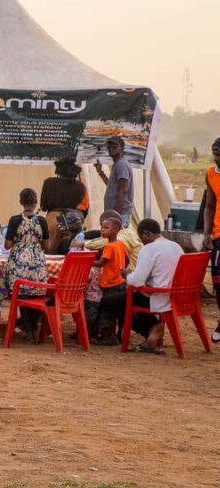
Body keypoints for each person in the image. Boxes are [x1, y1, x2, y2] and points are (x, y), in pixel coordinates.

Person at [124, 218, 183, 354]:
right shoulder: (176, 246)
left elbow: (136, 281)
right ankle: (154, 329)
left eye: (141, 238)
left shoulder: (149, 249)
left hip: (159, 296)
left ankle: (152, 330)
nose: (142, 242)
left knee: (112, 302)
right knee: (126, 297)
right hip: (177, 295)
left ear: (147, 234)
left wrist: (127, 275)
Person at [4, 188, 50, 341]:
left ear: (21, 202)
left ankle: (28, 330)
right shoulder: (42, 221)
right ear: (36, 202)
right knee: (37, 294)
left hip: (18, 265)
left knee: (21, 294)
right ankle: (36, 327)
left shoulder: (15, 220)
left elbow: (8, 245)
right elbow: (47, 247)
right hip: (38, 266)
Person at [91, 211, 129, 344]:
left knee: (107, 311)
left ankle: (108, 336)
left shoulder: (109, 246)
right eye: (102, 227)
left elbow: (101, 262)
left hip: (110, 283)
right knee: (119, 310)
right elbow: (127, 260)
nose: (102, 230)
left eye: (106, 228)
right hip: (120, 281)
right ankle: (118, 335)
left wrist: (88, 261)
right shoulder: (121, 244)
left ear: (116, 230)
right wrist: (120, 269)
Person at [202, 137, 220, 343]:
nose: (217, 159)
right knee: (218, 284)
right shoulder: (211, 174)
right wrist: (207, 233)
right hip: (218, 236)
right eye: (214, 154)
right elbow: (209, 205)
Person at [95, 136, 134, 227]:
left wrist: (116, 215)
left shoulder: (121, 165)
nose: (111, 148)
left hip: (120, 213)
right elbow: (112, 186)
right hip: (116, 213)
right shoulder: (117, 164)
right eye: (109, 147)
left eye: (114, 146)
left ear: (122, 148)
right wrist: (100, 172)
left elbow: (123, 190)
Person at [40, 157, 88, 228]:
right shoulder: (81, 186)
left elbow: (43, 207)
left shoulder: (48, 182)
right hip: (73, 219)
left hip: (52, 218)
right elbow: (84, 210)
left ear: (58, 170)